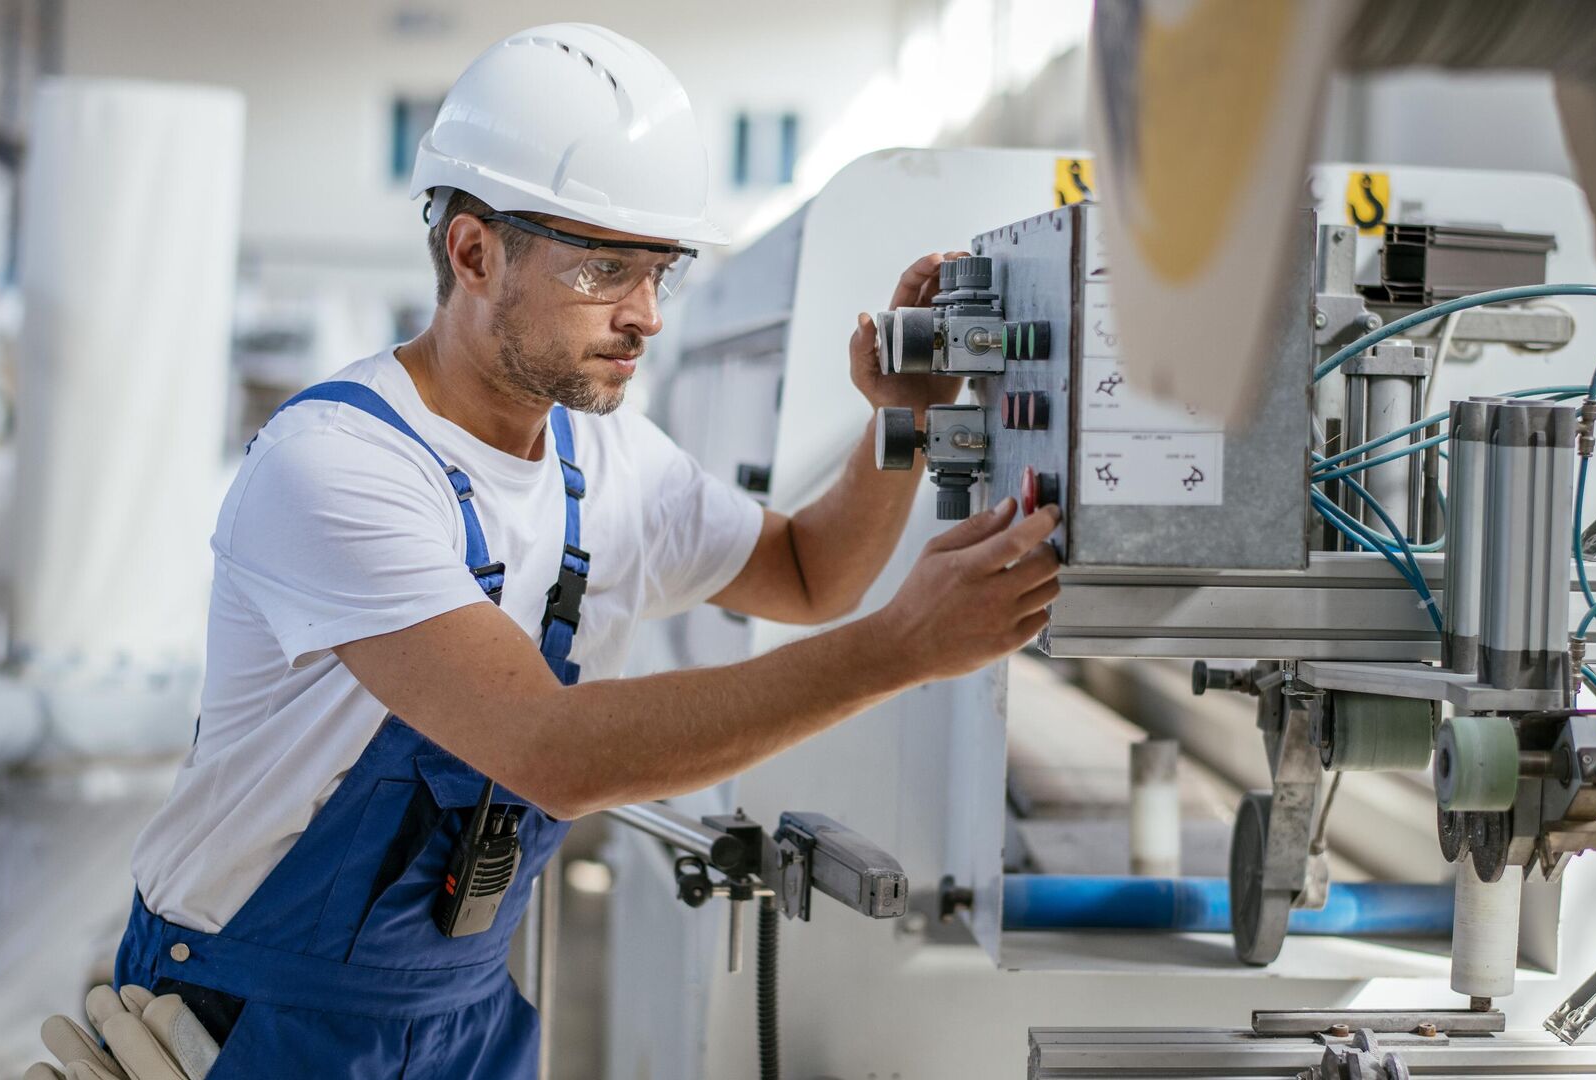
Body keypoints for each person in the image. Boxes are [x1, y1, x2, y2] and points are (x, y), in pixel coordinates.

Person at [88, 22, 1058, 1079]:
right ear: (473, 253)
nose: (644, 316)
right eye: (605, 269)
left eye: (661, 272)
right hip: (255, 1016)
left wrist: (902, 424)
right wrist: (902, 648)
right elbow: (551, 751)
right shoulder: (337, 465)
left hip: (462, 1010)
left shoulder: (610, 458)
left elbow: (808, 576)